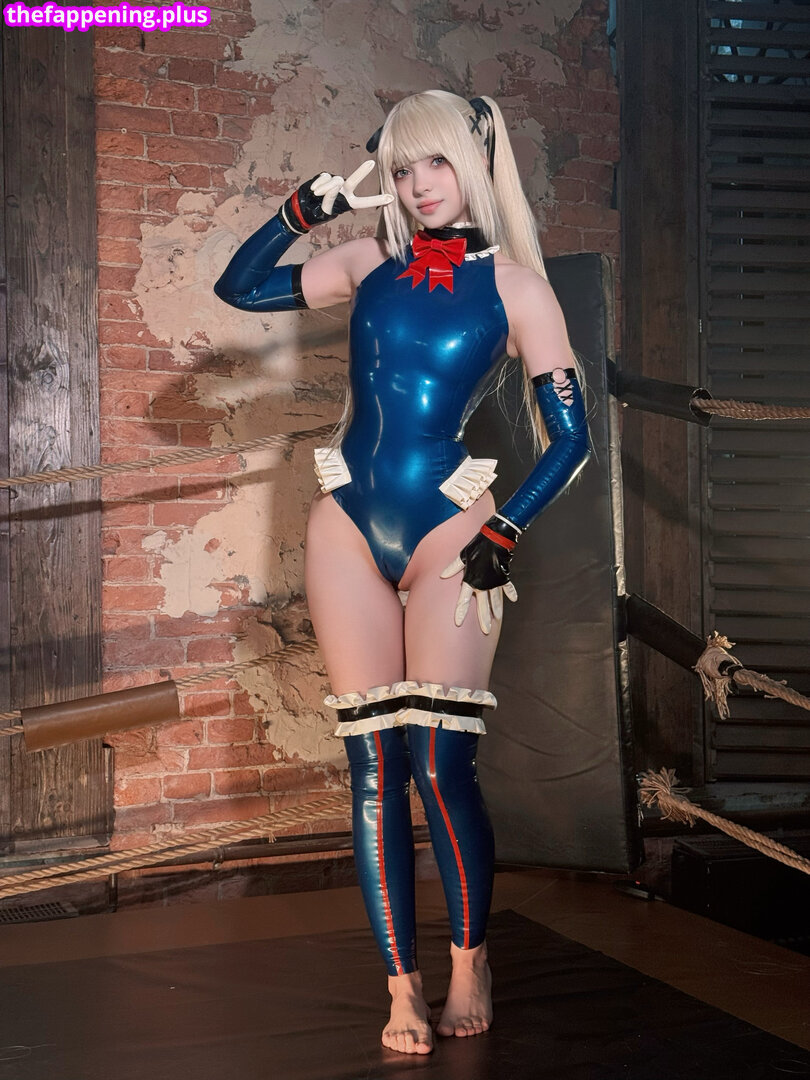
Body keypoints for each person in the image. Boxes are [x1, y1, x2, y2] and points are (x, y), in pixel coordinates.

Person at [214, 90, 590, 1056]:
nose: (420, 184)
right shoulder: (366, 261)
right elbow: (240, 290)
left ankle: (469, 962)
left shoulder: (518, 287)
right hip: (347, 522)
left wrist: (506, 526)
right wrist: (299, 211)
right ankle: (401, 986)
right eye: (402, 166)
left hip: (453, 530)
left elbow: (572, 437)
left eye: (437, 163)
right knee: (373, 766)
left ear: (473, 163)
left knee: (439, 762)